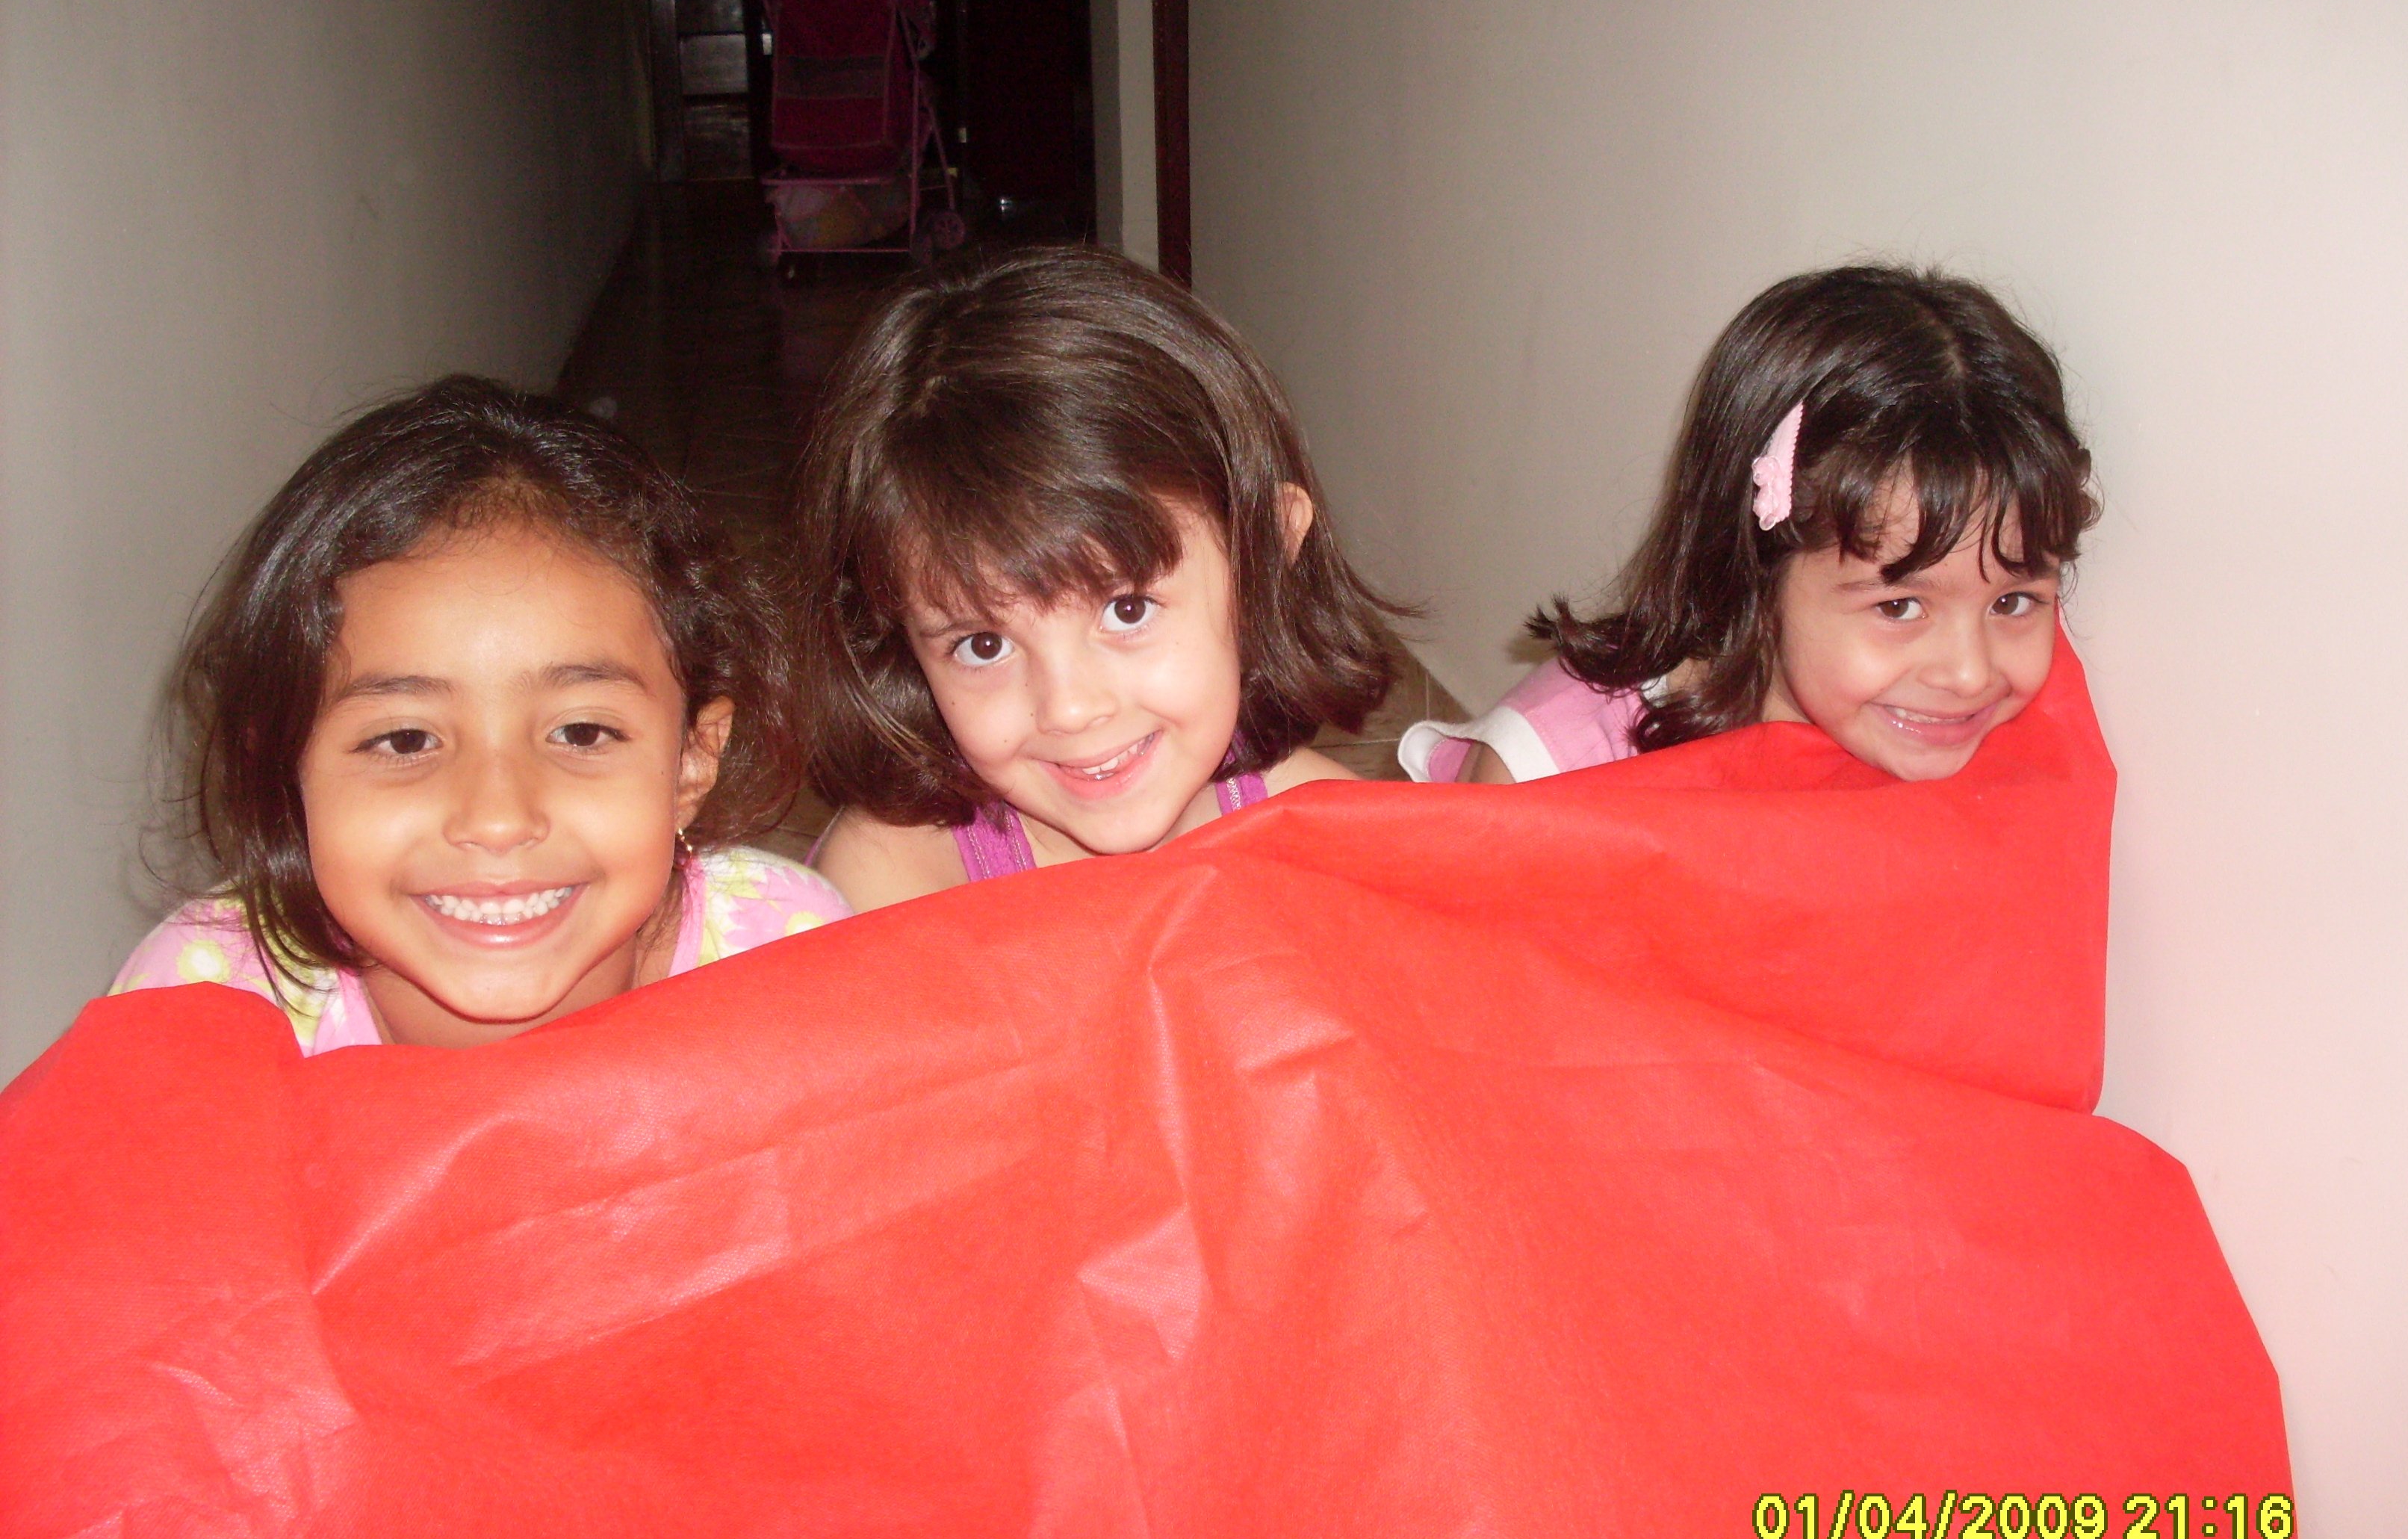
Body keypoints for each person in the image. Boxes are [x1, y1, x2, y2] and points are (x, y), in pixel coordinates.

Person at [112, 377, 846, 1052]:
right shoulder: (199, 1015)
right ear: (283, 762)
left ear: (692, 759)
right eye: (405, 740)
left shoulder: (786, 963)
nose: (498, 820)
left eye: (581, 733)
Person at [797, 246, 1407, 910]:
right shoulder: (887, 888)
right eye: (983, 645)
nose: (1070, 708)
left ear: (1264, 557)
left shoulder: (1332, 839)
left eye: (1127, 610)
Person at [1400, 264, 2099, 785]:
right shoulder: (1551, 771)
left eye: (2013, 602)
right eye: (1899, 607)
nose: (1969, 674)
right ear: (1755, 570)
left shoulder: (1958, 735)